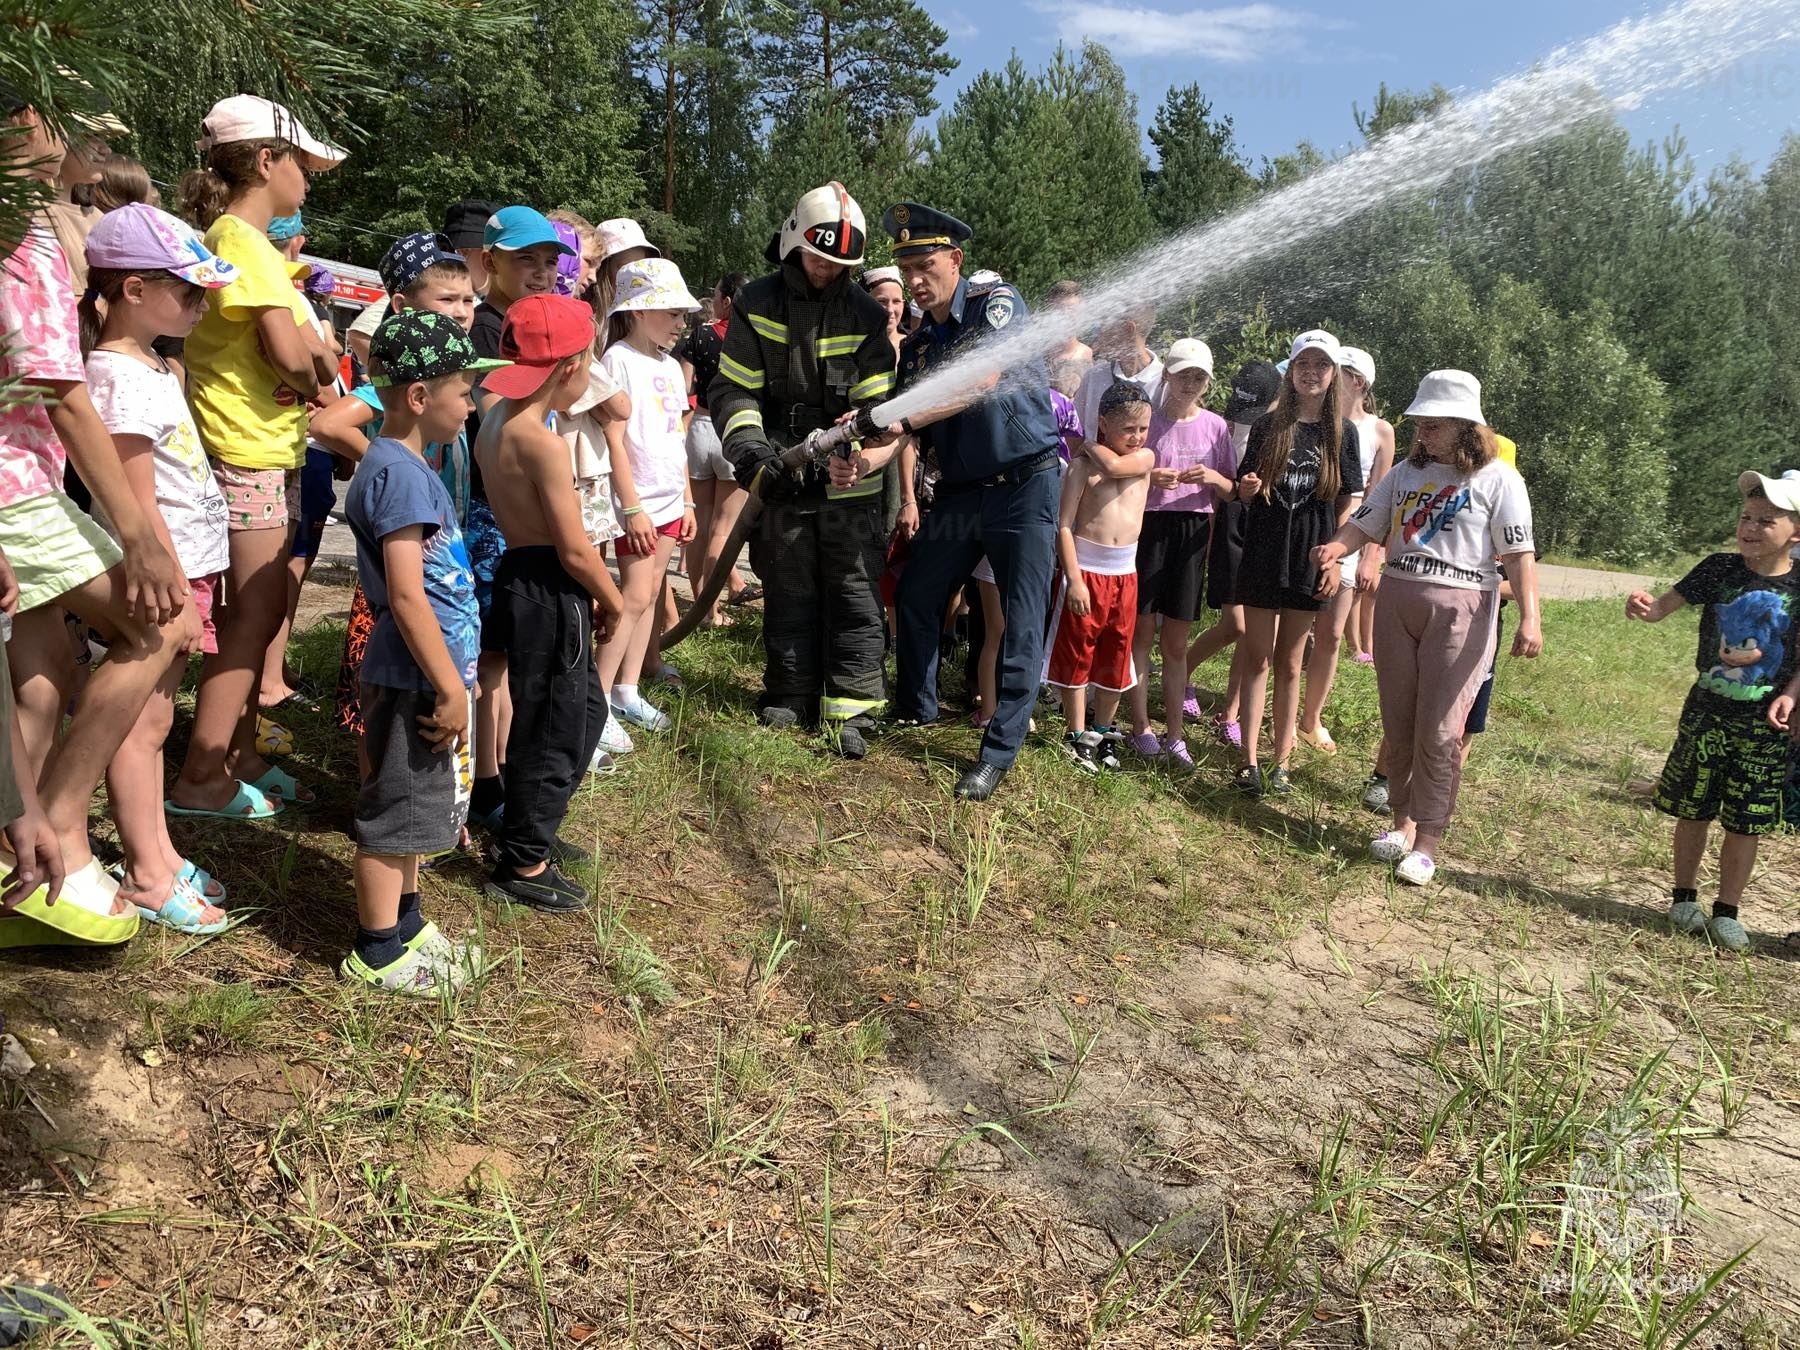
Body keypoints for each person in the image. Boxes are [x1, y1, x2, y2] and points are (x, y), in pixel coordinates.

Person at [0, 98, 186, 943]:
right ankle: (65, 834)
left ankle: (19, 854)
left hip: (23, 482)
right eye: (66, 118)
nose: (90, 140)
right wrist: (141, 540)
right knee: (165, 620)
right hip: (17, 492)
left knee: (38, 676)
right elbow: (65, 396)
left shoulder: (37, 230)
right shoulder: (23, 237)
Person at [168, 94, 344, 817]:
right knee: (255, 610)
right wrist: (317, 370)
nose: (309, 177)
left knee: (258, 609)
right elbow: (296, 354)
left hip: (262, 445)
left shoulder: (240, 240)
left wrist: (315, 358)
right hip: (245, 448)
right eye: (302, 161)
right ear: (267, 162)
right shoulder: (244, 240)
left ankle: (236, 754)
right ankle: (202, 776)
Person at [1314, 370, 1542, 886]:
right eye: (1420, 424)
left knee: (1440, 732)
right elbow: (1366, 523)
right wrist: (1336, 546)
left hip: (1462, 608)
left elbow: (1519, 553)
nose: (1423, 434)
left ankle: (1428, 843)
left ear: (1466, 427)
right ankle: (1400, 824)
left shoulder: (1499, 478)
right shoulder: (1405, 475)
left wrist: (1531, 616)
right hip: (1397, 599)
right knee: (1399, 723)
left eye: (1435, 426)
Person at [82, 205, 239, 934]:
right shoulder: (114, 373)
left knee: (156, 721)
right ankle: (147, 870)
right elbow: (135, 502)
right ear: (134, 290)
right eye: (189, 291)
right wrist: (174, 588)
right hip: (165, 578)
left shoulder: (153, 363)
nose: (201, 305)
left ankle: (163, 854)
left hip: (188, 574)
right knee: (143, 727)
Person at [708, 183, 899, 759]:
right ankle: (789, 695)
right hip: (778, 467)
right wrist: (750, 454)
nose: (824, 271)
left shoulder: (865, 313)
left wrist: (855, 452)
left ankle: (855, 708)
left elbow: (877, 404)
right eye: (818, 258)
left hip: (849, 478)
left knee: (855, 590)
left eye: (838, 264)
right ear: (794, 243)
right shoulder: (757, 302)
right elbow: (734, 387)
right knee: (788, 584)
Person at [343, 311, 502, 991]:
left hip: (426, 671)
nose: (470, 403)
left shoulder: (404, 465)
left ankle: (406, 925)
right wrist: (445, 688)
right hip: (413, 675)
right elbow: (406, 595)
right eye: (462, 390)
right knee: (395, 812)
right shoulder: (400, 475)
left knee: (417, 811)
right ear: (418, 397)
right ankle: (376, 948)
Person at [882, 202, 1063, 801]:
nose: (914, 278)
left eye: (925, 264)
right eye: (905, 266)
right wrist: (860, 451)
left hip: (1023, 485)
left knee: (1021, 619)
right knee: (917, 593)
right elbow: (902, 432)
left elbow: (981, 382)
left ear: (955, 260)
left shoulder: (997, 306)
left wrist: (895, 418)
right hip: (960, 493)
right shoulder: (919, 346)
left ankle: (998, 751)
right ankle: (915, 708)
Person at [474, 294, 624, 912]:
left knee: (580, 711)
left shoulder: (493, 416)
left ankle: (527, 822)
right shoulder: (542, 442)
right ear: (569, 368)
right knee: (558, 722)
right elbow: (575, 549)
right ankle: (523, 861)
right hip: (550, 585)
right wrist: (613, 600)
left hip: (516, 571)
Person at [311, 231, 480, 738]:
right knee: (380, 655)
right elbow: (326, 424)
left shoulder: (447, 380)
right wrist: (386, 463)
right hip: (402, 535)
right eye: (446, 299)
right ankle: (369, 745)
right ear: (403, 306)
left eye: (468, 299)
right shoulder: (402, 387)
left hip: (428, 532)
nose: (462, 310)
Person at [1626, 474, 1798, 955]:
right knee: (1692, 808)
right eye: (1746, 517)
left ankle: (1727, 911)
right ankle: (1683, 899)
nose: (1751, 528)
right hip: (1705, 716)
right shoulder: (1717, 568)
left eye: (1767, 521)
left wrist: (1791, 695)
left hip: (1764, 727)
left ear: (1796, 532)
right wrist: (1641, 605)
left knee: (1746, 821)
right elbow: (1659, 610)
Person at [466, 207, 577, 832]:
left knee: (505, 659)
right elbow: (495, 422)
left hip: (511, 513)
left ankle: (500, 769)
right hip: (492, 513)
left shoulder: (526, 325)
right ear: (491, 262)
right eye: (524, 260)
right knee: (491, 659)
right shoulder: (489, 331)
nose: (540, 272)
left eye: (548, 262)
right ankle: (486, 779)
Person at [1232, 331, 1364, 796]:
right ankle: (1249, 761)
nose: (1312, 372)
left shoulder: (1343, 433)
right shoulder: (1269, 426)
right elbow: (1244, 485)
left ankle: (1279, 764)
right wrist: (1246, 489)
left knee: (1291, 662)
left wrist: (1335, 556)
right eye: (1303, 364)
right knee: (1256, 655)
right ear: (1290, 372)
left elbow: (1347, 501)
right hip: (1266, 546)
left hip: (1312, 551)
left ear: (1334, 375)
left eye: (1321, 365)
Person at [595, 259, 701, 749]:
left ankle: (627, 689)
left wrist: (688, 498)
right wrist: (631, 505)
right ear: (636, 311)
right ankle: (594, 705)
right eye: (670, 312)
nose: (681, 323)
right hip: (636, 501)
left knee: (654, 593)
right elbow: (615, 439)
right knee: (633, 598)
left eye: (683, 314)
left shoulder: (668, 366)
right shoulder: (617, 359)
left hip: (669, 499)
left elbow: (675, 436)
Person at [1124, 339, 1235, 768]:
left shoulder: (1216, 426)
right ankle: (1140, 727)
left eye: (1199, 377)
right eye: (1182, 374)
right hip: (1147, 526)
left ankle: (1174, 733)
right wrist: (1151, 477)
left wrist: (1210, 476)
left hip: (1192, 532)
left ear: (1207, 382)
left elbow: (1230, 491)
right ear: (1166, 375)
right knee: (1142, 632)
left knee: (1176, 639)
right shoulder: (1146, 421)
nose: (1190, 383)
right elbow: (1120, 472)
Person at [1048, 381, 1155, 771]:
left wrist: (1088, 443)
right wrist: (1074, 579)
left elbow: (1112, 465)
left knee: (1116, 652)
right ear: (1105, 423)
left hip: (1125, 573)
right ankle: (1077, 734)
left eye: (1143, 428)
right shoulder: (1079, 468)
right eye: (1129, 429)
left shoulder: (1144, 458)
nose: (1137, 436)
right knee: (1078, 650)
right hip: (1088, 570)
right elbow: (1064, 526)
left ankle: (1104, 729)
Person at [1297, 344, 1395, 754]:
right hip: (1310, 525)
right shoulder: (1317, 419)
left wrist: (1372, 554)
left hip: (1354, 532)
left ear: (1360, 382)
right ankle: (1278, 707)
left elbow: (1379, 495)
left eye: (1343, 371)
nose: (1332, 376)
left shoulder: (1380, 430)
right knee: (1294, 630)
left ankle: (1311, 718)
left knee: (1333, 634)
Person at [1185, 359, 1280, 750]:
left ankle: (1232, 712)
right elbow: (1222, 484)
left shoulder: (1285, 427)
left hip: (1272, 527)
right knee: (1236, 625)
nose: (1248, 417)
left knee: (1257, 633)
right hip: (1233, 523)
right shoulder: (1224, 425)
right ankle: (1181, 674)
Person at [677, 272, 752, 626]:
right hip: (734, 431)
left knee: (700, 528)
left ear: (724, 300)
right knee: (723, 530)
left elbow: (684, 389)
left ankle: (702, 610)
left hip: (700, 429)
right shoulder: (751, 340)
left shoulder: (700, 335)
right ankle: (712, 610)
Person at [1075, 309, 1161, 439]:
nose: (1099, 333)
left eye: (1104, 325)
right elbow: (1074, 432)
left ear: (1128, 329)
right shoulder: (1093, 377)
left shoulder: (1165, 382)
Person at [1043, 279, 1093, 399]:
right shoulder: (1038, 355)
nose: (1066, 315)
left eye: (1072, 309)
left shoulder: (1089, 356)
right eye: (1060, 310)